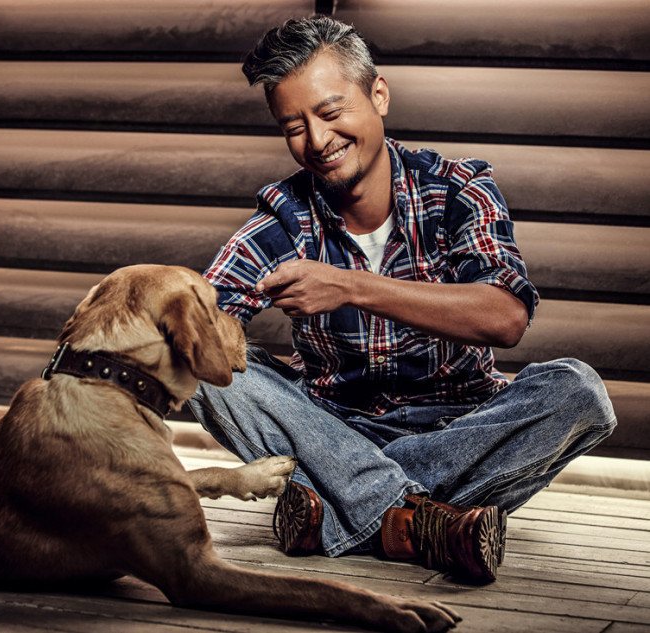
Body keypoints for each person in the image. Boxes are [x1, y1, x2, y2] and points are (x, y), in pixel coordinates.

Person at [188, 15, 617, 583]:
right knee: (202, 369)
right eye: (293, 126)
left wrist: (350, 286)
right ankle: (416, 521)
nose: (316, 141)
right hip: (332, 426)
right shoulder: (284, 218)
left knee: (578, 391)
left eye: (331, 113)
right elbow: (197, 321)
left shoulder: (457, 189)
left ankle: (336, 509)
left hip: (458, 428)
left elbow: (506, 317)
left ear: (379, 95)